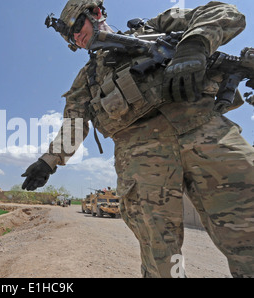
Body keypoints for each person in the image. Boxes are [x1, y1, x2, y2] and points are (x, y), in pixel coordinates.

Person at [22, 0, 254, 277]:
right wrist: (48, 161)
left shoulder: (155, 28)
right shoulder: (88, 78)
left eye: (75, 27)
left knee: (248, 234)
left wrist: (195, 44)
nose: (76, 38)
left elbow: (226, 12)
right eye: (69, 38)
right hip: (140, 158)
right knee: (162, 260)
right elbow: (74, 123)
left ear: (95, 13)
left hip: (208, 132)